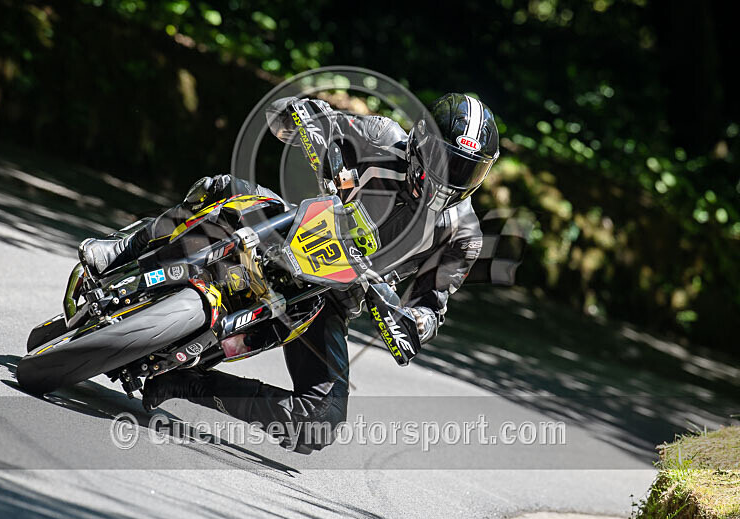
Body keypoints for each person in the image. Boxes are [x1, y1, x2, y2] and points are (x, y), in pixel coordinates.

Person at [79, 93, 500, 453]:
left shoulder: (463, 235)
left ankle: (186, 384)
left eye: (468, 170)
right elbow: (291, 115)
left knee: (321, 421)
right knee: (223, 190)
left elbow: (431, 306)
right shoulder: (382, 137)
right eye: (448, 162)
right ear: (424, 142)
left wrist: (410, 321)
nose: (453, 178)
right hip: (292, 231)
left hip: (336, 296)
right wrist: (305, 119)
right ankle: (122, 249)